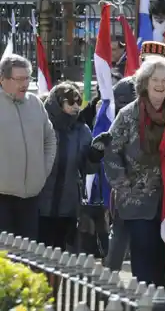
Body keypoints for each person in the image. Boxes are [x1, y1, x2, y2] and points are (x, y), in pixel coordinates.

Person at [102, 57, 165, 286]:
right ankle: (145, 297)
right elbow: (111, 152)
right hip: (136, 201)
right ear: (145, 82)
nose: (160, 85)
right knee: (144, 252)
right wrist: (126, 188)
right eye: (155, 79)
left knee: (161, 252)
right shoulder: (128, 115)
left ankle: (159, 296)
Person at [37, 82, 102, 250]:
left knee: (62, 254)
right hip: (40, 201)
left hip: (68, 203)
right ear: (57, 103)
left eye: (78, 102)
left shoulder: (82, 130)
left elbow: (87, 168)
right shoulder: (41, 125)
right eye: (71, 102)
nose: (76, 107)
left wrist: (95, 156)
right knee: (37, 252)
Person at [0, 54, 56, 239]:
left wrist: (42, 171)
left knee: (29, 251)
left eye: (27, 78)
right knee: (5, 252)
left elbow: (49, 139)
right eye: (19, 79)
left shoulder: (35, 104)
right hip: (3, 197)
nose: (24, 84)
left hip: (31, 197)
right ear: (3, 79)